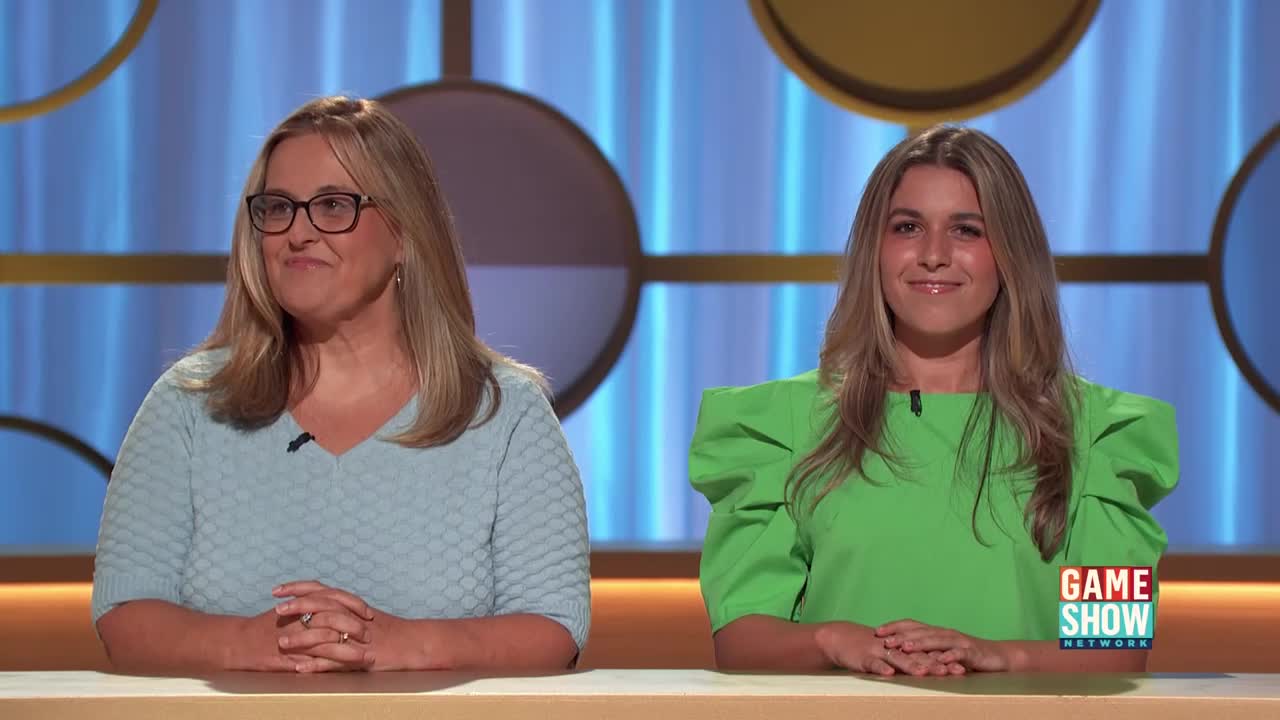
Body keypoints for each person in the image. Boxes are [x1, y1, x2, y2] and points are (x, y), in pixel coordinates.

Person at [92, 96, 590, 674]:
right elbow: (125, 614)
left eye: (333, 206)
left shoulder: (506, 414)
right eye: (278, 208)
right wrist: (250, 645)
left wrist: (400, 645)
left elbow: (552, 626)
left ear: (405, 231)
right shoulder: (189, 403)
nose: (297, 233)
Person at [689, 126, 1177, 676]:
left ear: (1011, 253)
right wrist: (832, 641)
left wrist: (998, 656)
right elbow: (739, 641)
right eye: (907, 227)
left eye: (967, 230)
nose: (934, 255)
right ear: (875, 248)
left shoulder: (1097, 434)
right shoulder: (779, 427)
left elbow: (1118, 650)